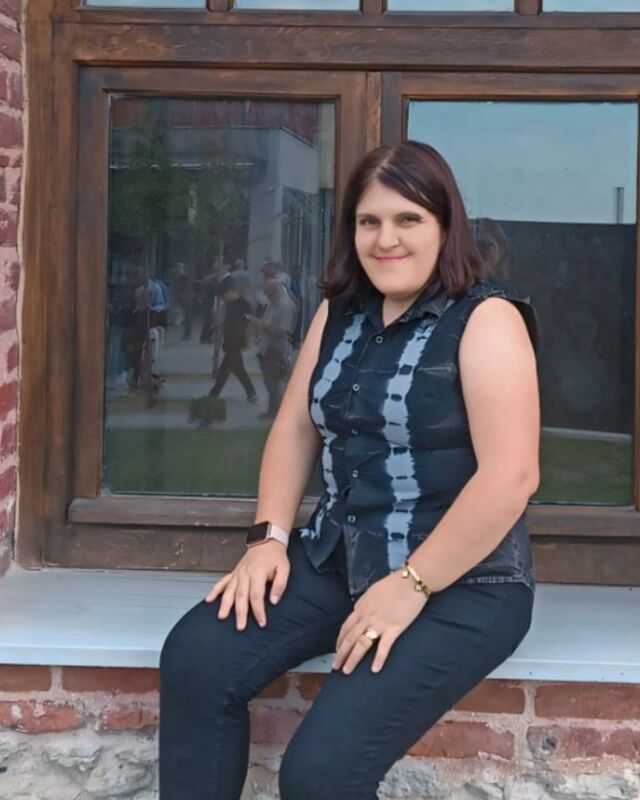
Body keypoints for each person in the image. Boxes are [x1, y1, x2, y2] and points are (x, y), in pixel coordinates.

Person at [159, 141, 540, 800]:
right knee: (197, 660)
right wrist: (267, 539)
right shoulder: (339, 313)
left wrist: (412, 584)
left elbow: (511, 477)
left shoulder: (486, 319)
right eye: (369, 221)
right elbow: (295, 426)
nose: (385, 239)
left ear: (445, 225)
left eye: (408, 219)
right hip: (342, 556)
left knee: (321, 775)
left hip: (464, 582)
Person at [247, 279, 296, 419]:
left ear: (274, 291)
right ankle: (273, 409)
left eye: (267, 292)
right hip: (267, 347)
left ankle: (275, 411)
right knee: (269, 381)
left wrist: (262, 325)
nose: (266, 295)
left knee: (274, 381)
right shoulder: (272, 304)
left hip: (276, 348)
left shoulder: (284, 306)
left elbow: (283, 330)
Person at [207, 275, 257, 404]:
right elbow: (228, 320)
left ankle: (213, 395)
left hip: (237, 342)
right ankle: (251, 392)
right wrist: (218, 326)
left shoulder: (244, 305)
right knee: (238, 369)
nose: (222, 299)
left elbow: (251, 323)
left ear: (230, 292)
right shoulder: (229, 304)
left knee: (224, 370)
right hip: (230, 341)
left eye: (223, 296)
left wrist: (249, 340)